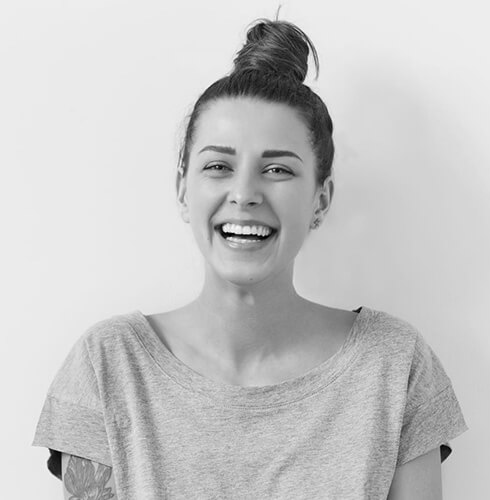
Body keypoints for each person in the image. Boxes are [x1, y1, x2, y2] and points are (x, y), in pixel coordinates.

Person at [32, 14, 468, 499]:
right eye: (218, 166)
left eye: (277, 169)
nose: (244, 194)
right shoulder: (108, 365)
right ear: (183, 189)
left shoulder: (395, 364)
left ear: (321, 200)